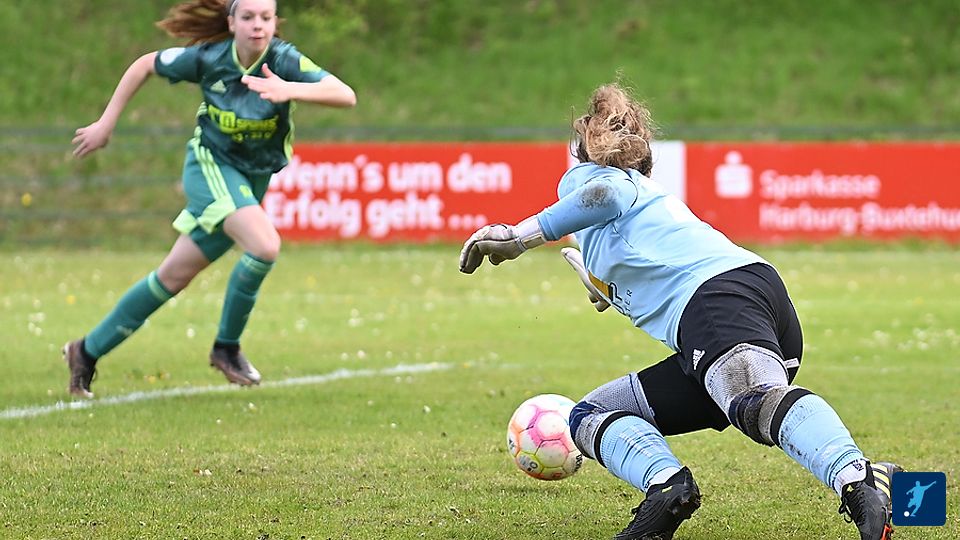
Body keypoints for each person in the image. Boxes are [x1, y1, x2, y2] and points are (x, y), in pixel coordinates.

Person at [459, 83, 903, 540]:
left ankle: (860, 478)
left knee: (754, 400)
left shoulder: (598, 178)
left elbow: (605, 193)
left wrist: (519, 237)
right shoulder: (645, 207)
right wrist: (606, 286)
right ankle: (666, 492)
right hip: (746, 305)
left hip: (714, 302)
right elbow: (639, 251)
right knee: (589, 415)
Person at [65, 0, 356, 398]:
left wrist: (288, 88)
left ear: (275, 22)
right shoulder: (208, 58)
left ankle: (85, 351)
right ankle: (227, 348)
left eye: (266, 18)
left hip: (251, 179)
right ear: (231, 22)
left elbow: (345, 94)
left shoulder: (283, 60)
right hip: (211, 167)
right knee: (265, 246)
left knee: (172, 276)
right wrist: (106, 122)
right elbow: (145, 64)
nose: (258, 26)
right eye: (248, 17)